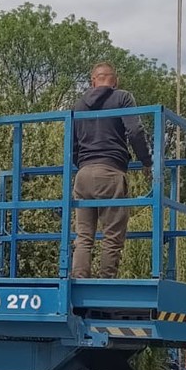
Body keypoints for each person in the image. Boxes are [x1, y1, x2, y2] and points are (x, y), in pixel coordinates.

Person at [70, 62, 153, 279]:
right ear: (115, 80)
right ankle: (106, 283)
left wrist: (82, 164)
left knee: (83, 236)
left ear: (93, 81)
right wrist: (146, 161)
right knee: (112, 237)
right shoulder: (122, 98)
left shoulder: (78, 105)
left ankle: (78, 279)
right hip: (111, 171)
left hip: (83, 175)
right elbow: (135, 131)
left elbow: (72, 143)